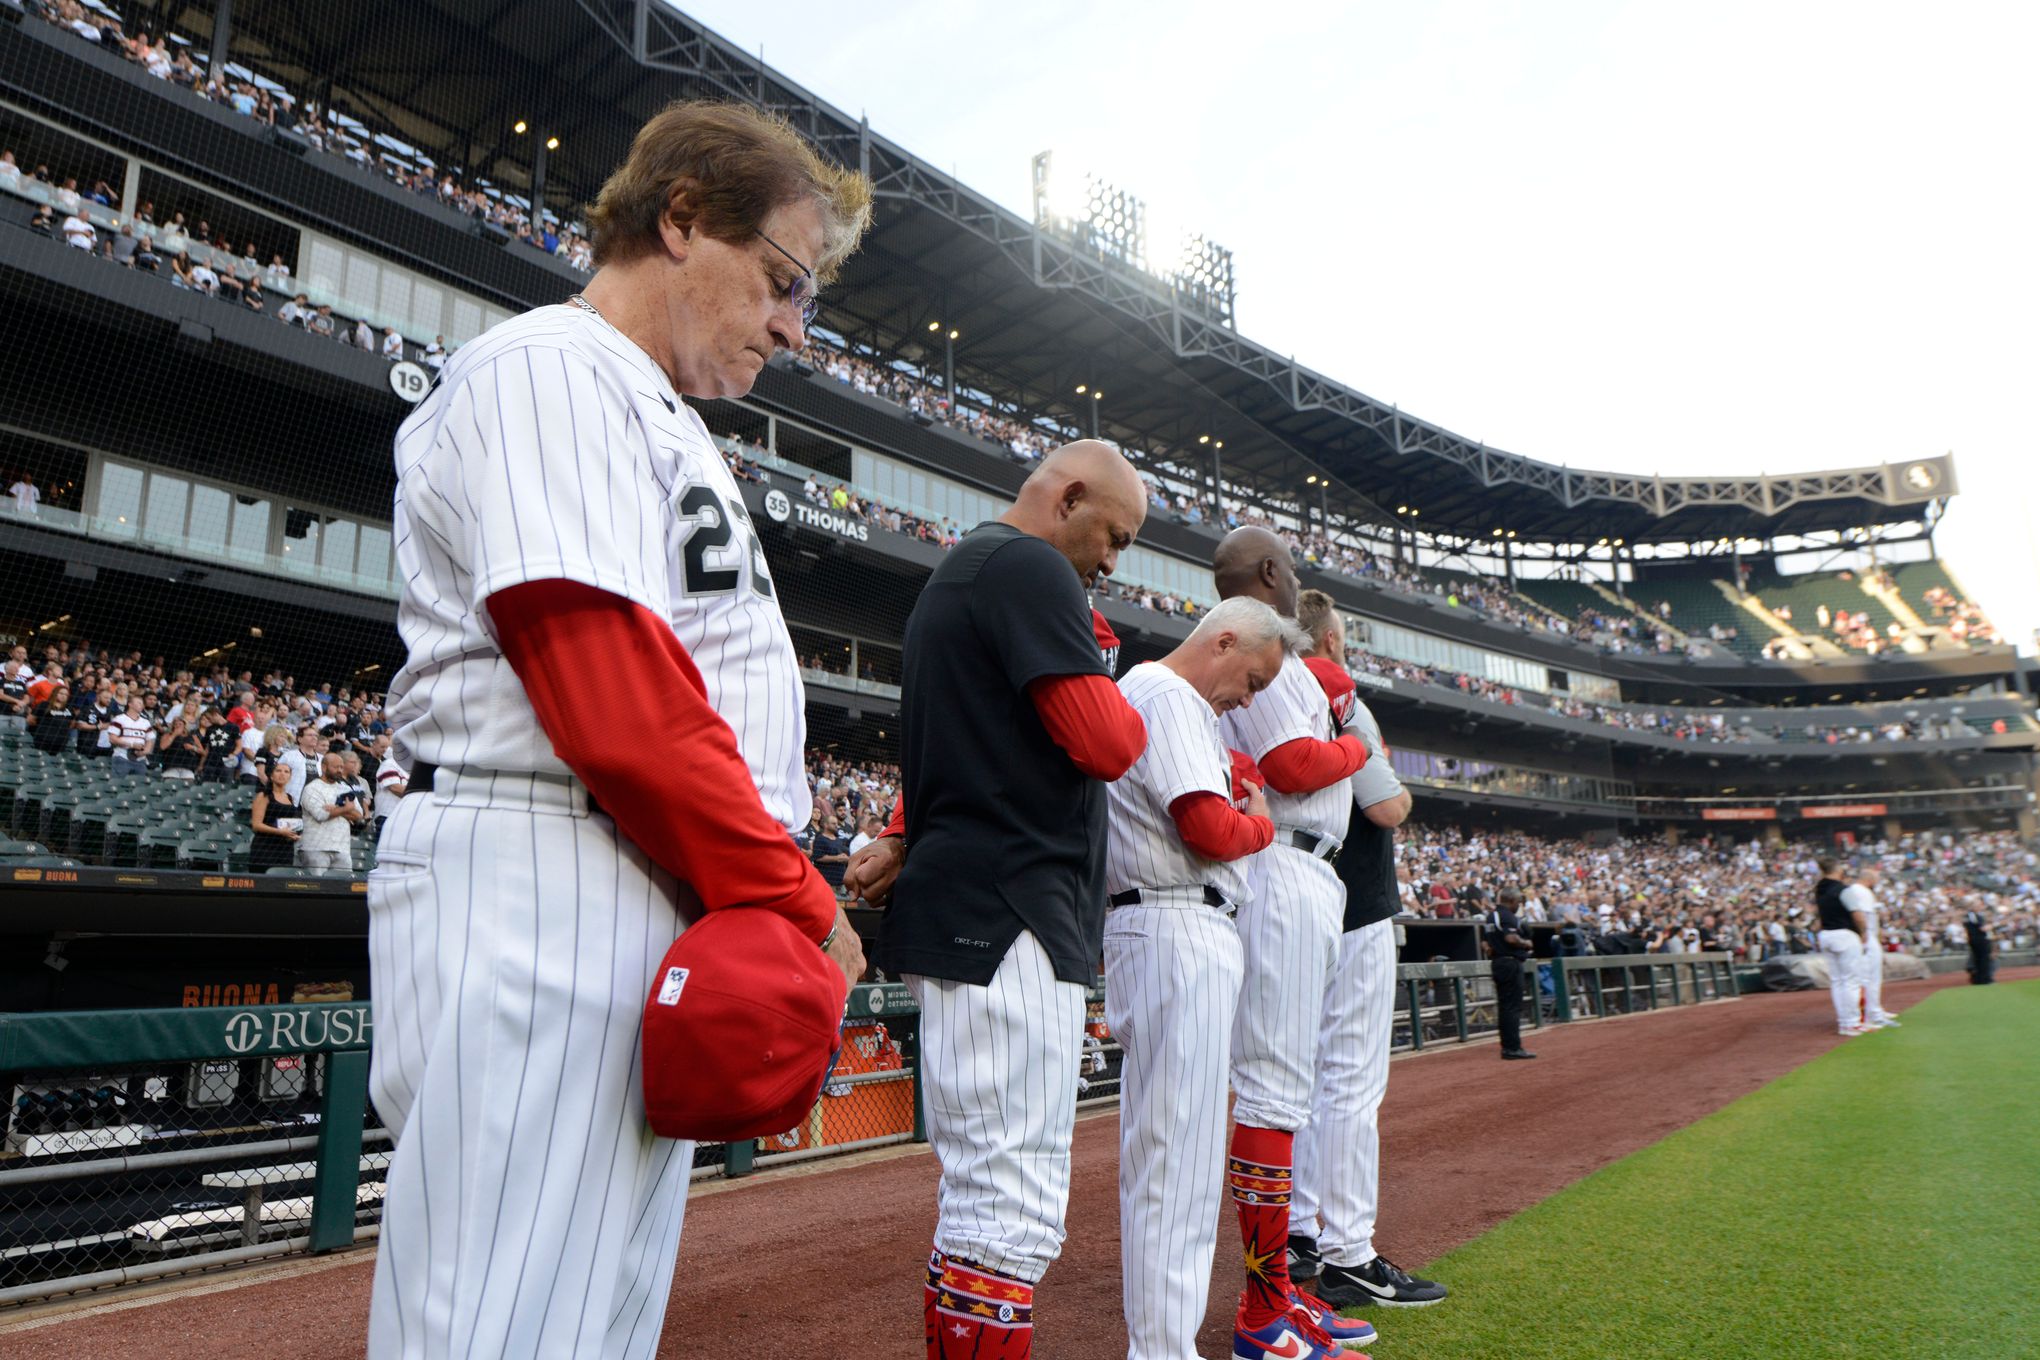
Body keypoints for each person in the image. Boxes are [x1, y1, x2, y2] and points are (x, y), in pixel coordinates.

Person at [367, 99, 871, 1360]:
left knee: (586, 1327)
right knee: (495, 1328)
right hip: (541, 870)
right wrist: (803, 900)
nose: (790, 327)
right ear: (683, 218)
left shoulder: (657, 416)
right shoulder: (548, 365)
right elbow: (612, 692)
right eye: (782, 281)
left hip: (637, 883)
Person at [870, 440, 1151, 1360]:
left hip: (982, 907)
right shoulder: (1026, 564)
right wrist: (1136, 699)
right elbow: (1108, 744)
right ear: (1069, 498)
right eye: (1113, 534)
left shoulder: (972, 570)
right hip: (1008, 915)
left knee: (994, 1196)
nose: (1113, 561)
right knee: (1008, 1201)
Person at [1103, 597, 1300, 1360]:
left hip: (1178, 926)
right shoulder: (1167, 693)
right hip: (1174, 924)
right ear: (1222, 641)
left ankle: (1163, 1347)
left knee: (1172, 1159)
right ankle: (1161, 1351)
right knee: (1173, 1164)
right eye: (1250, 679)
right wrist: (1262, 826)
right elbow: (1211, 830)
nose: (1247, 699)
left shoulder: (1164, 697)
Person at [1208, 527, 1375, 1357]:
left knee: (1288, 1088)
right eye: (1295, 567)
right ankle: (1262, 1309)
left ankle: (1278, 1295)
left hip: (1303, 870)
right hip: (1279, 866)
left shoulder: (1278, 651)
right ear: (1272, 574)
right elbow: (1291, 763)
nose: (1301, 577)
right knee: (1273, 1091)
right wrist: (1358, 746)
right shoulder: (1259, 641)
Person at [1287, 591, 1446, 1309]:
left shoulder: (1262, 691)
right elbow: (1386, 807)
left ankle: (1296, 1237)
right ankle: (1349, 1252)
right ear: (1327, 637)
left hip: (1281, 907)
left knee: (1291, 1081)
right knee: (1348, 1084)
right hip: (1352, 907)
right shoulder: (1337, 691)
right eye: (1342, 636)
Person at [1813, 857, 1869, 1036]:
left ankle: (1844, 1022)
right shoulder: (1843, 890)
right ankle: (1852, 1023)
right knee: (1851, 981)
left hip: (1826, 935)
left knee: (1837, 981)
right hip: (1845, 935)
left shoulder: (1819, 889)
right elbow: (1858, 916)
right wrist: (1863, 933)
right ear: (1838, 870)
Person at [1841, 862, 1897, 1028]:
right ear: (1870, 879)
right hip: (1865, 937)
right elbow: (1863, 917)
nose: (1877, 881)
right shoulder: (1861, 891)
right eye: (1876, 878)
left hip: (1866, 936)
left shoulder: (1857, 890)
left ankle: (1874, 1011)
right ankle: (1871, 1014)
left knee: (1870, 977)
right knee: (1869, 977)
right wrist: (1866, 936)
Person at [1484, 888, 1537, 1059]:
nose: (1518, 906)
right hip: (1509, 963)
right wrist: (1526, 943)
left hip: (1499, 961)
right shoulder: (1506, 916)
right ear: (1512, 901)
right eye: (1517, 903)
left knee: (1505, 1006)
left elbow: (1485, 944)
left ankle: (1508, 1046)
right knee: (1512, 1007)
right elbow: (1511, 938)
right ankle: (1512, 1048)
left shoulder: (1492, 916)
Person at [297, 752, 365, 869]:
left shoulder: (345, 788)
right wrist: (346, 809)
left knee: (342, 886)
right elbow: (321, 815)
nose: (339, 770)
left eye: (341, 767)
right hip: (316, 847)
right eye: (335, 767)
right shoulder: (312, 788)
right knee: (318, 886)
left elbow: (359, 816)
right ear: (324, 767)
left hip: (342, 847)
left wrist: (336, 809)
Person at [247, 758, 301, 872]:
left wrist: (293, 835)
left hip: (284, 848)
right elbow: (256, 825)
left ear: (290, 777)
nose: (282, 774)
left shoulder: (290, 798)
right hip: (264, 847)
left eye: (286, 772)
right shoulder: (263, 795)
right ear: (271, 776)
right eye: (278, 771)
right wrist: (280, 832)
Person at [1963, 903, 1995, 984]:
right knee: (1983, 959)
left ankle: (1977, 979)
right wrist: (1993, 925)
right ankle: (1984, 979)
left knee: (1977, 959)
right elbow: (1982, 928)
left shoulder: (1968, 916)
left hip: (1973, 939)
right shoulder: (1973, 916)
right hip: (1979, 939)